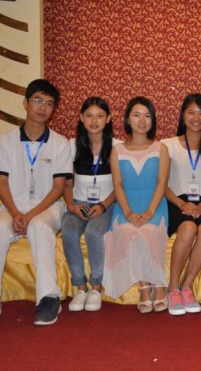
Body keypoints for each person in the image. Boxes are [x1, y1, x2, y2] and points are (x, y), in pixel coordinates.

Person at [0, 79, 72, 329]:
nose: (42, 107)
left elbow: (58, 187)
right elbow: (1, 182)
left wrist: (31, 214)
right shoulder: (6, 141)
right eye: (37, 100)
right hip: (12, 207)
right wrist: (16, 213)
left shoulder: (60, 143)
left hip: (48, 208)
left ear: (53, 109)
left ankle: (48, 298)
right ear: (25, 103)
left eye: (49, 103)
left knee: (38, 226)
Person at [103, 96, 170, 313]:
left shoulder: (161, 148)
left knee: (150, 230)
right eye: (137, 115)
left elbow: (161, 183)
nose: (142, 120)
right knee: (127, 230)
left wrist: (150, 212)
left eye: (147, 115)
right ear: (127, 119)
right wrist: (128, 212)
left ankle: (158, 284)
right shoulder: (117, 150)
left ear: (153, 120)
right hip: (126, 206)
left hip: (155, 205)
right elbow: (118, 185)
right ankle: (144, 286)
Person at [61, 97, 120, 312]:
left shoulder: (117, 147)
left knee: (94, 232)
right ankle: (80, 287)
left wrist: (103, 206)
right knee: (69, 230)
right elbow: (66, 183)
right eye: (89, 116)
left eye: (100, 116)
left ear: (108, 119)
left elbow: (120, 186)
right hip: (78, 203)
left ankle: (96, 287)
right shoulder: (71, 145)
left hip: (106, 204)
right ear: (81, 118)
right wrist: (71, 206)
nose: (94, 121)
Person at [163, 93, 201, 315]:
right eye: (191, 112)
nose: (196, 118)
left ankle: (187, 287)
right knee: (188, 227)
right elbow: (161, 184)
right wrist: (181, 204)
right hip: (177, 201)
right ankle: (172, 288)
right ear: (182, 115)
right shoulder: (167, 145)